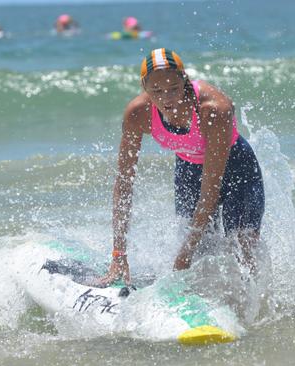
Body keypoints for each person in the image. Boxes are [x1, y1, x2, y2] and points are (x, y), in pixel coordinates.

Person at [97, 48, 265, 286]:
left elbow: (211, 189)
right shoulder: (138, 114)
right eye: (157, 91)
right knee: (200, 251)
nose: (167, 98)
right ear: (144, 87)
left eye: (173, 89)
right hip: (189, 170)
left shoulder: (214, 109)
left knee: (242, 248)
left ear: (185, 80)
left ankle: (255, 311)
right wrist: (118, 254)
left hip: (237, 169)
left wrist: (184, 253)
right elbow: (124, 183)